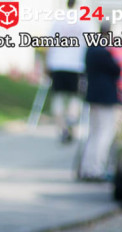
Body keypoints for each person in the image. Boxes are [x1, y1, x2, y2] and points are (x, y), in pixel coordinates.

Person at [79, 22, 121, 181]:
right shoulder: (105, 52)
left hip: (93, 96)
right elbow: (116, 70)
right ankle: (97, 169)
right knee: (105, 134)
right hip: (106, 97)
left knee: (94, 133)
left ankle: (87, 167)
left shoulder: (90, 50)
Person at [45, 0, 87, 143]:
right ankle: (70, 121)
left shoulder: (58, 20)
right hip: (77, 66)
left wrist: (47, 64)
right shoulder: (84, 21)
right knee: (75, 98)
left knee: (58, 98)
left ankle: (63, 128)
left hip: (58, 64)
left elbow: (49, 44)